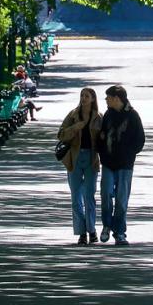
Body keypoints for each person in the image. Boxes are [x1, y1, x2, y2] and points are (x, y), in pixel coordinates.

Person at [97, 84, 145, 245]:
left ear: (117, 99)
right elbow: (102, 136)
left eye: (108, 98)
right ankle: (106, 225)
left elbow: (140, 140)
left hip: (125, 165)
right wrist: (102, 151)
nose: (106, 100)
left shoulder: (132, 115)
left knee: (121, 199)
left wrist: (129, 153)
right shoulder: (108, 115)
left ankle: (120, 232)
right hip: (108, 163)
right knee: (105, 195)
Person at [58, 87, 103, 245]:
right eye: (82, 96)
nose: (83, 98)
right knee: (76, 197)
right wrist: (75, 127)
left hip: (91, 158)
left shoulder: (98, 117)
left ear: (92, 99)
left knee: (89, 196)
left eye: (87, 96)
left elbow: (102, 139)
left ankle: (92, 230)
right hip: (75, 158)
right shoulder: (73, 115)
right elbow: (61, 134)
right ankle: (81, 232)